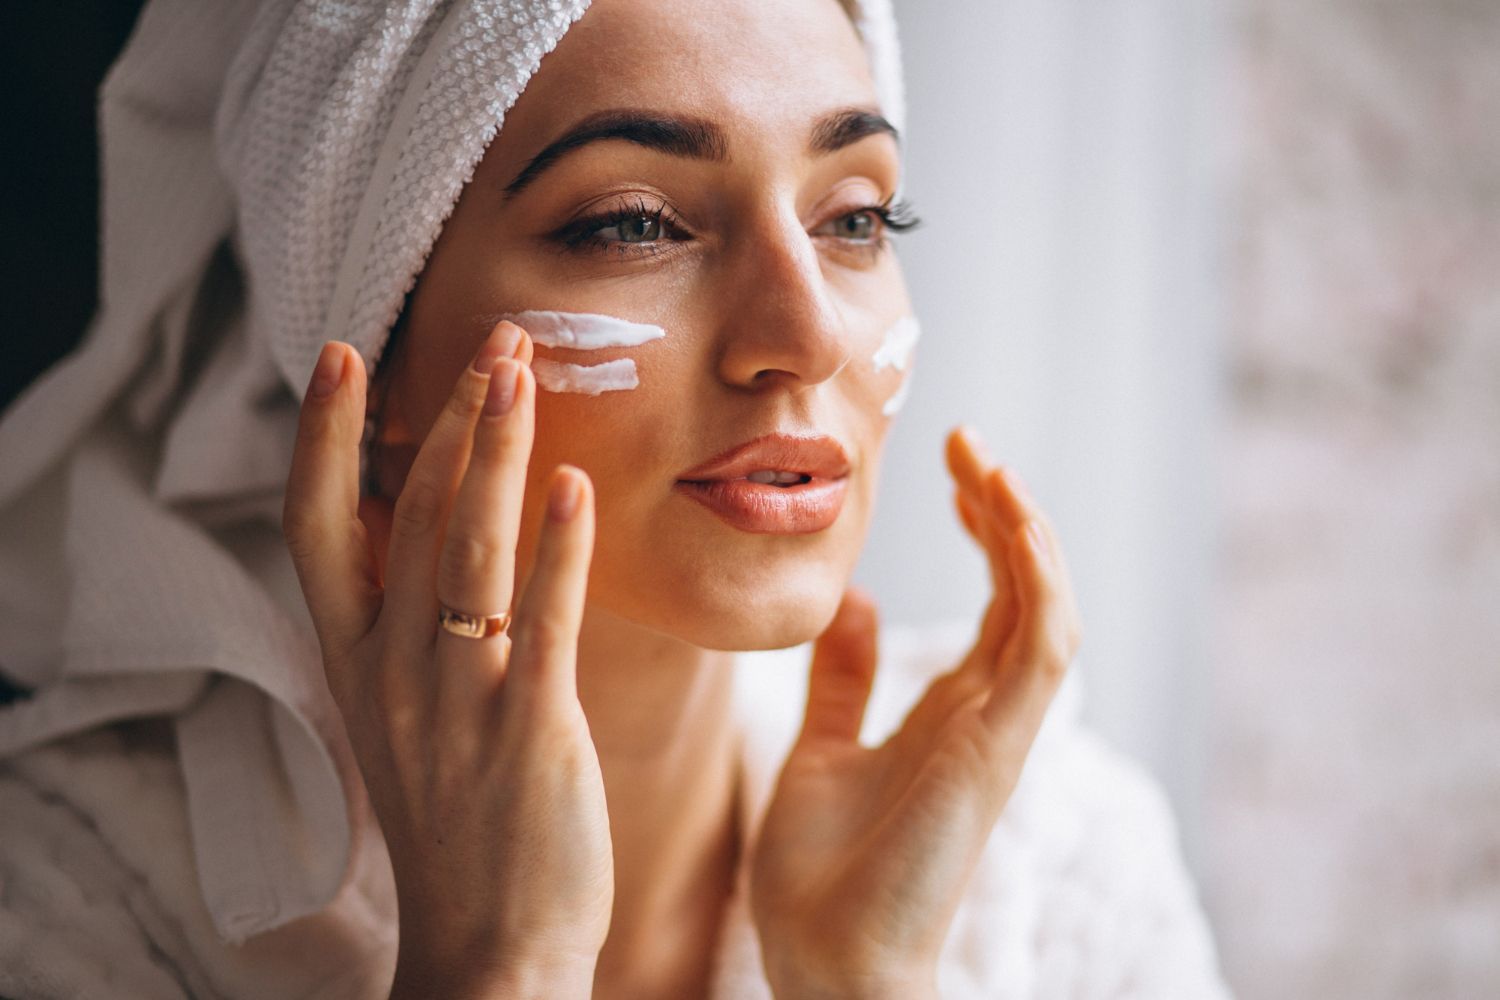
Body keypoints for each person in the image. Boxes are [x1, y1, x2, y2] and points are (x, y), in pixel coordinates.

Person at [0, 0, 1234, 997]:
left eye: (856, 217)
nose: (807, 333)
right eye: (635, 224)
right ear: (372, 363)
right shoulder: (71, 900)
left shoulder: (1053, 864)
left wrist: (862, 985)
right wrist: (499, 973)